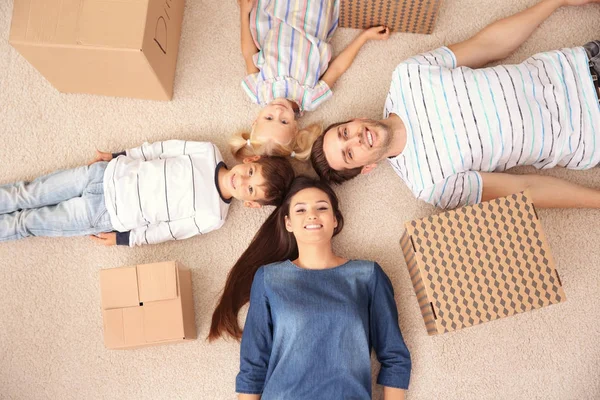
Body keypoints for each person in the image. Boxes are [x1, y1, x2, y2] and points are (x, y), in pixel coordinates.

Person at [311, 0, 600, 210]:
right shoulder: (431, 186)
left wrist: (555, 2)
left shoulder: (408, 75)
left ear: (354, 119)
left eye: (345, 133)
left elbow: (488, 45)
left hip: (581, 64)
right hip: (590, 134)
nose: (356, 139)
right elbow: (524, 189)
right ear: (367, 168)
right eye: (350, 154)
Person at [209, 176, 411, 400]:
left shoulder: (368, 276)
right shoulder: (269, 278)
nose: (312, 215)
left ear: (335, 219)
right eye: (301, 210)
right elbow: (253, 364)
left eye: (322, 207)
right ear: (288, 223)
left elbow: (395, 357)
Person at [0, 140, 295, 246]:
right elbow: (159, 149)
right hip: (105, 174)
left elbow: (166, 232)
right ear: (251, 160)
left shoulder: (212, 216)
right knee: (28, 192)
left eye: (251, 190)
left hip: (107, 214)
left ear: (252, 204)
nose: (243, 181)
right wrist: (119, 154)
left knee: (28, 223)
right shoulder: (207, 151)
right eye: (251, 173)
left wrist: (124, 238)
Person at [231, 0, 391, 161]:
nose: (278, 112)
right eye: (284, 121)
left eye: (269, 118)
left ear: (255, 120)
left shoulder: (258, 91)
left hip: (275, 18)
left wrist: (243, 14)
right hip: (311, 21)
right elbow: (337, 68)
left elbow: (248, 52)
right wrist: (364, 37)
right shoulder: (310, 98)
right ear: (295, 128)